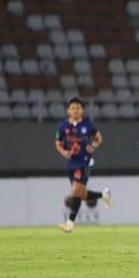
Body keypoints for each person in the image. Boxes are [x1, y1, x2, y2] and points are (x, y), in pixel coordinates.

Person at [54, 97, 111, 232]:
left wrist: (93, 146)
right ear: (68, 110)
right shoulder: (63, 126)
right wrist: (64, 152)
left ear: (82, 110)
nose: (75, 110)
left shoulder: (87, 124)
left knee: (75, 191)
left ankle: (69, 224)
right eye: (72, 108)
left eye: (78, 108)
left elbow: (99, 138)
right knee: (82, 194)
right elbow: (58, 143)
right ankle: (104, 195)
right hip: (71, 163)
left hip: (84, 161)